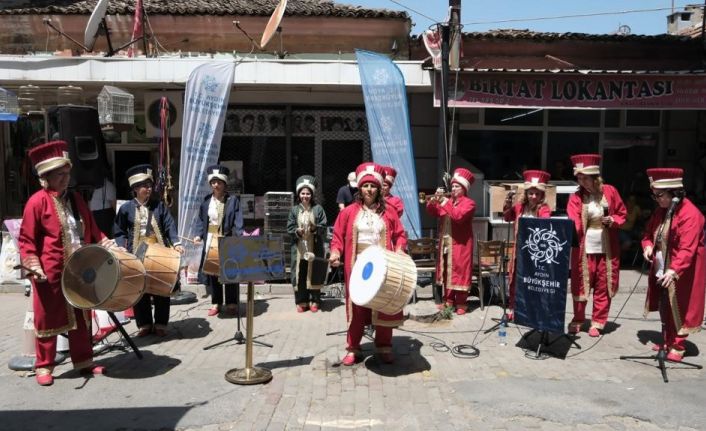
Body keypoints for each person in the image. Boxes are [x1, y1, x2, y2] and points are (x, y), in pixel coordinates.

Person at [18, 140, 114, 386]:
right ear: (45, 177)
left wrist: (104, 242)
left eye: (67, 173)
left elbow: (91, 228)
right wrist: (33, 265)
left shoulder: (76, 200)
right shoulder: (37, 202)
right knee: (47, 319)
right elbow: (27, 239)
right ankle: (44, 366)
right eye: (59, 174)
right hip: (49, 272)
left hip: (80, 271)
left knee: (82, 317)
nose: (65, 178)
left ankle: (84, 360)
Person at [329, 162, 407, 365]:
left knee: (383, 305)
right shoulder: (348, 213)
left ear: (379, 188)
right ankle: (353, 347)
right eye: (365, 186)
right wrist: (336, 252)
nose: (369, 190)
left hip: (382, 266)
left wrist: (399, 249)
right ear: (359, 188)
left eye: (373, 186)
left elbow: (400, 235)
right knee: (356, 309)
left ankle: (384, 346)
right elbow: (337, 236)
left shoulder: (388, 212)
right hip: (356, 266)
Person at [641, 168, 705, 362]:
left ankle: (678, 344)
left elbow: (687, 248)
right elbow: (648, 233)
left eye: (660, 195)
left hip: (685, 268)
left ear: (675, 194)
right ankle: (668, 340)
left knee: (680, 305)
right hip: (664, 264)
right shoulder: (662, 211)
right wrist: (648, 246)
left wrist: (674, 269)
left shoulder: (691, 214)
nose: (658, 200)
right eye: (655, 196)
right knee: (665, 304)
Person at [114, 164, 184, 337]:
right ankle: (144, 324)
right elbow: (119, 231)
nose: (149, 189)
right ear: (135, 189)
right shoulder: (126, 209)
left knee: (161, 285)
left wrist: (176, 243)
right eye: (145, 186)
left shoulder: (158, 206)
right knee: (140, 289)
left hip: (158, 252)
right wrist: (121, 247)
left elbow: (169, 226)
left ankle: (161, 323)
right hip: (136, 254)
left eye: (150, 185)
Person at [567, 154, 627, 337]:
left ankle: (598, 322)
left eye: (585, 177)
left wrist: (613, 220)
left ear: (595, 177)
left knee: (603, 284)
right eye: (579, 178)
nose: (582, 181)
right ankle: (578, 319)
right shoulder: (576, 196)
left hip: (607, 247)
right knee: (580, 285)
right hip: (584, 247)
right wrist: (575, 229)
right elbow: (573, 218)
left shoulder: (610, 191)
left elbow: (622, 213)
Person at [194, 164, 244, 317]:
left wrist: (237, 236)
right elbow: (201, 221)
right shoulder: (206, 201)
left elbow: (238, 221)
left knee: (229, 271)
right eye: (213, 182)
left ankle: (232, 302)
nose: (216, 185)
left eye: (219, 182)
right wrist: (199, 235)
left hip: (227, 239)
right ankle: (216, 302)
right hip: (211, 239)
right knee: (213, 273)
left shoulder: (232, 200)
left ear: (224, 184)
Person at [502, 170, 552, 321]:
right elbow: (507, 217)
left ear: (542, 195)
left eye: (537, 194)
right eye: (531, 193)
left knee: (531, 281)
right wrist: (508, 203)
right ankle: (513, 307)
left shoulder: (544, 208)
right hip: (519, 250)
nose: (533, 197)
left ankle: (530, 309)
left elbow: (544, 224)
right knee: (515, 280)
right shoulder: (519, 207)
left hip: (535, 252)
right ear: (526, 193)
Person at [426, 168, 476, 315]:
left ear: (464, 188)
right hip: (446, 243)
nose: (453, 189)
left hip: (461, 244)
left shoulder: (469, 203)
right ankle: (448, 300)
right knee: (447, 271)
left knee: (460, 271)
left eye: (457, 186)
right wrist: (432, 200)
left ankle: (461, 302)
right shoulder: (448, 201)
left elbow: (458, 217)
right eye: (452, 186)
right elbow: (433, 212)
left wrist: (444, 201)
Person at [287, 175, 327, 312]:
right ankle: (301, 300)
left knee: (314, 272)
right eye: (303, 193)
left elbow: (323, 227)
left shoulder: (318, 209)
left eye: (308, 193)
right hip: (299, 248)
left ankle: (314, 300)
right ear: (299, 194)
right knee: (301, 272)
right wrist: (296, 231)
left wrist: (315, 228)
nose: (305, 196)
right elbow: (289, 227)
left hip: (314, 245)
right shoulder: (294, 210)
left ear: (312, 194)